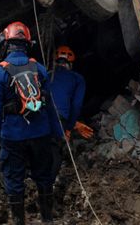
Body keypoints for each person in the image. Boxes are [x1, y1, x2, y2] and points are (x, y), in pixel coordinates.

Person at [0, 22, 61, 225]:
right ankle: (47, 219)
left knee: (14, 180)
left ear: (6, 43)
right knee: (44, 176)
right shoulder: (40, 69)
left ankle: (19, 221)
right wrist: (57, 133)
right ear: (27, 43)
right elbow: (50, 105)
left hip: (13, 136)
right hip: (41, 132)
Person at [48, 45, 87, 193]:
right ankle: (46, 189)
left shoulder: (46, 74)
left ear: (55, 61)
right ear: (70, 64)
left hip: (41, 116)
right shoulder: (77, 79)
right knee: (55, 153)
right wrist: (70, 127)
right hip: (59, 118)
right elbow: (76, 105)